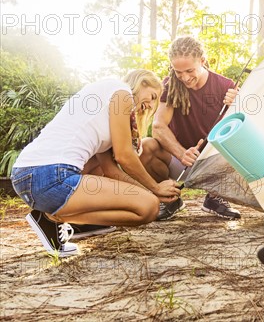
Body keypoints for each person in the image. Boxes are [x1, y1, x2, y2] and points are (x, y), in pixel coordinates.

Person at [11, 70, 181, 257]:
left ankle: (51, 218)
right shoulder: (122, 93)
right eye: (152, 96)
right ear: (143, 82)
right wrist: (156, 188)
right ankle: (51, 217)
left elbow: (110, 170)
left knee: (147, 203)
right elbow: (124, 155)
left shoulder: (105, 102)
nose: (150, 105)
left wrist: (148, 192)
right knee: (148, 207)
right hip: (51, 175)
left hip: (25, 176)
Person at [140, 36, 241, 220]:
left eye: (189, 70)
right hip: (183, 162)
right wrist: (182, 153)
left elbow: (239, 131)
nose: (185, 78)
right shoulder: (170, 85)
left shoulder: (225, 86)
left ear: (202, 61)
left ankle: (214, 198)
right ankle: (169, 199)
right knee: (146, 146)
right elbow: (158, 126)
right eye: (178, 72)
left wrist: (238, 106)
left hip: (214, 164)